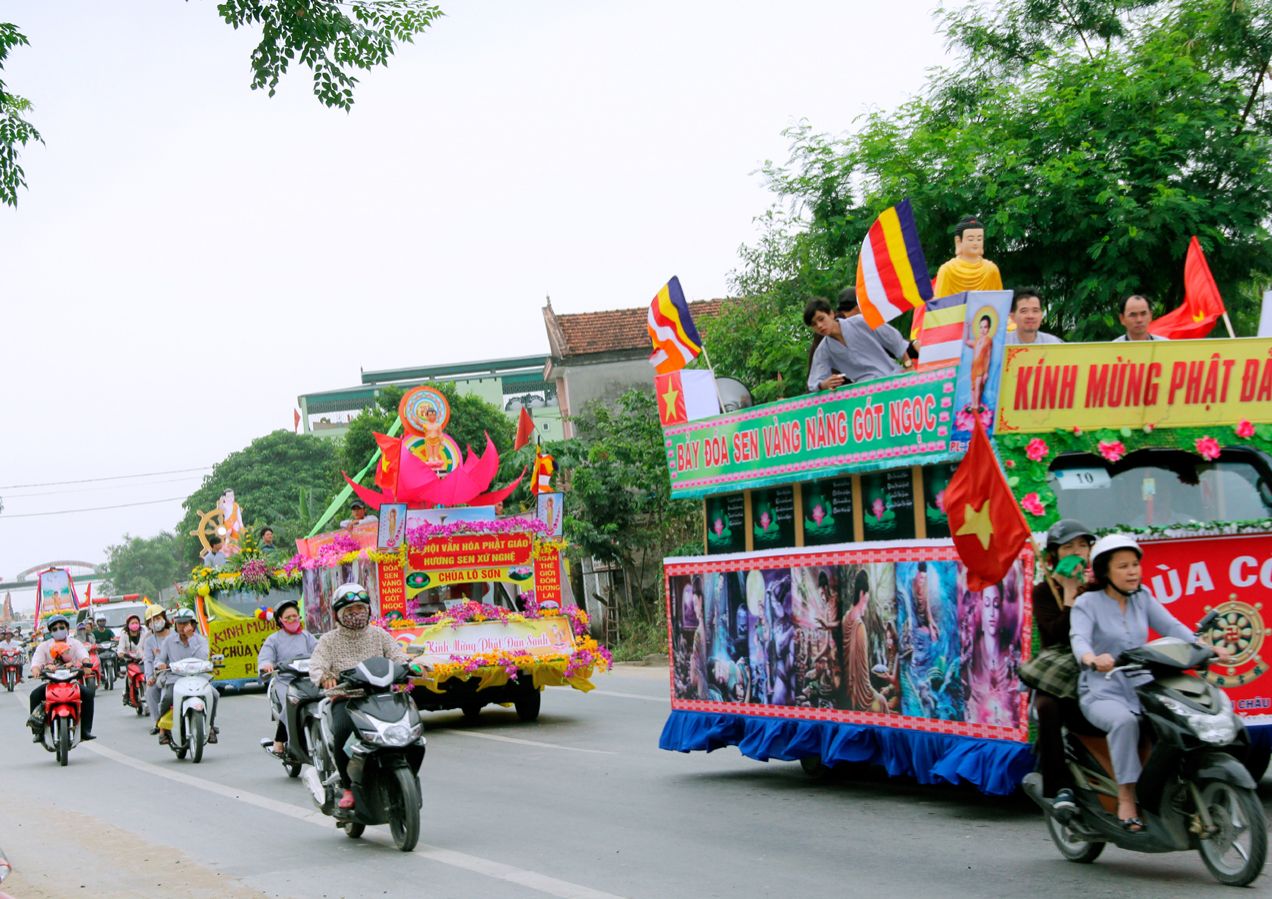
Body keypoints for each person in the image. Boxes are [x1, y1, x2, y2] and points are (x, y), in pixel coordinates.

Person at [1070, 534, 1230, 830]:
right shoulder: (1087, 603)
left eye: (1135, 565)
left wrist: (1205, 648)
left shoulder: (1143, 597)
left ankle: (1177, 785)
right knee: (1124, 723)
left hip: (1142, 684)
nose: (1132, 571)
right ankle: (1126, 796)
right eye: (1123, 566)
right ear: (1105, 571)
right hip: (1101, 689)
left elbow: (1171, 626)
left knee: (1177, 717)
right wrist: (1092, 658)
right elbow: (1078, 639)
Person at [309, 583, 412, 810]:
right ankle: (347, 786)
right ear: (339, 614)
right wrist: (325, 677)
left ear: (368, 610)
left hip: (381, 696)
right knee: (343, 735)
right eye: (350, 610)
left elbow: (397, 656)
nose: (356, 614)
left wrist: (408, 668)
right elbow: (316, 665)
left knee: (409, 728)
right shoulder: (328, 640)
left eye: (360, 608)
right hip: (347, 700)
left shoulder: (380, 635)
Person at [1031, 519, 1094, 816]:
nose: (1078, 552)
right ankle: (1060, 787)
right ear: (1054, 555)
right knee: (1048, 707)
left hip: (1097, 663)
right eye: (1069, 547)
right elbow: (1055, 635)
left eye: (1083, 545)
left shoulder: (1099, 586)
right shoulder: (1044, 591)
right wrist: (1069, 595)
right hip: (1059, 670)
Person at [805, 297, 914, 391]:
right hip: (866, 392)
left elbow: (893, 339)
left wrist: (908, 365)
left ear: (831, 314)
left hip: (895, 378)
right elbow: (814, 382)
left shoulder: (861, 322)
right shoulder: (823, 350)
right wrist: (824, 384)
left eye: (821, 319)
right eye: (814, 324)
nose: (819, 325)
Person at [258, 599, 318, 757]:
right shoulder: (274, 639)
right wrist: (267, 665)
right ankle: (279, 740)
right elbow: (265, 657)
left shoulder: (307, 636)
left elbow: (320, 652)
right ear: (280, 620)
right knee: (291, 704)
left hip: (309, 679)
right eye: (288, 617)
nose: (292, 620)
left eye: (295, 616)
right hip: (285, 681)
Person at [25, 615, 96, 741]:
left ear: (67, 628)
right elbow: (36, 662)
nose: (58, 630)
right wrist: (36, 670)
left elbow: (84, 655)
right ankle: (38, 732)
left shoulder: (75, 643)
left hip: (71, 682)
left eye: (61, 627)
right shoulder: (44, 646)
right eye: (55, 628)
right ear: (51, 631)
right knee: (34, 695)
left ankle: (85, 730)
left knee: (88, 694)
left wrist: (85, 664)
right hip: (51, 683)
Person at [154, 608, 216, 745]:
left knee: (214, 695)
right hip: (176, 678)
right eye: (179, 623)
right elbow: (159, 659)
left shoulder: (201, 640)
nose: (182, 627)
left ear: (193, 624)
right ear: (175, 625)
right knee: (168, 697)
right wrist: (160, 664)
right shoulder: (168, 641)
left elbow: (203, 657)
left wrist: (191, 638)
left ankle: (210, 726)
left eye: (186, 623)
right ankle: (162, 729)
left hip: (199, 678)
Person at [933, 216, 1003, 297]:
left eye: (979, 239)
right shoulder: (947, 270)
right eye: (971, 239)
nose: (975, 243)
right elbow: (940, 305)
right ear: (959, 241)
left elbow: (998, 302)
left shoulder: (991, 269)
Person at [142, 606, 172, 732]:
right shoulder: (149, 641)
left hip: (179, 671)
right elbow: (148, 660)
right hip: (160, 674)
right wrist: (149, 677)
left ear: (164, 618)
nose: (155, 622)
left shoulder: (175, 634)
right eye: (151, 621)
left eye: (158, 618)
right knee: (150, 691)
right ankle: (157, 722)